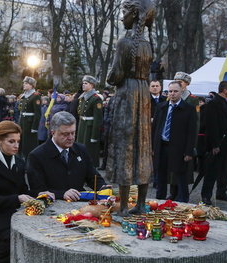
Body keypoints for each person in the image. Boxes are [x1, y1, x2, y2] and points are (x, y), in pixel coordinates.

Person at [106, 0, 155, 215]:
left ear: (134, 14)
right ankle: (141, 204)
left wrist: (110, 76)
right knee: (143, 146)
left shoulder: (124, 43)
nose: (121, 17)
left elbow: (115, 75)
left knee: (125, 145)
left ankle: (124, 206)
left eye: (124, 12)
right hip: (143, 93)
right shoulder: (147, 44)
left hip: (127, 94)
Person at [0, 121, 41, 263]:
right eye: (11, 141)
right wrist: (17, 198)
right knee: (9, 239)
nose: (16, 145)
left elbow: (24, 191)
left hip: (10, 212)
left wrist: (43, 194)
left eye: (18, 141)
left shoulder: (19, 162)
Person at [28, 111, 107, 201]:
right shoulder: (37, 156)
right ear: (53, 132)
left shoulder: (80, 149)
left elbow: (93, 177)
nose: (70, 137)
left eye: (73, 133)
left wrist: (103, 188)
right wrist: (62, 194)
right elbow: (37, 190)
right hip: (54, 206)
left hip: (81, 204)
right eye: (65, 134)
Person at [152, 81, 197, 202]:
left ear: (181, 91)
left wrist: (188, 152)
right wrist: (152, 147)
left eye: (175, 91)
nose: (172, 94)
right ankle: (159, 201)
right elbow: (155, 128)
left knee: (180, 176)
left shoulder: (189, 109)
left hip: (179, 148)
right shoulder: (161, 107)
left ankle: (183, 201)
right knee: (160, 175)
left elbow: (192, 132)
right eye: (170, 91)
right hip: (161, 146)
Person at [201, 81, 227, 205]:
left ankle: (221, 192)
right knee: (211, 172)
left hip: (226, 143)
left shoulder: (225, 103)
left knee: (224, 171)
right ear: (224, 89)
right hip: (217, 144)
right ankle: (206, 196)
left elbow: (225, 122)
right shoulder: (214, 103)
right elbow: (212, 125)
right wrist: (215, 145)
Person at [76, 75, 103, 167]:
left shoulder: (96, 99)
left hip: (89, 128)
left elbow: (98, 119)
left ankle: (90, 169)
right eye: (83, 83)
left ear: (92, 85)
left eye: (86, 83)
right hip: (82, 125)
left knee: (89, 149)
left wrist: (94, 135)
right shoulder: (83, 97)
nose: (83, 85)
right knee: (80, 147)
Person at [18, 76, 41, 159]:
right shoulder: (24, 96)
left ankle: (29, 161)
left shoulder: (35, 96)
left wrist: (34, 127)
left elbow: (38, 113)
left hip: (29, 123)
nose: (24, 85)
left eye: (26, 83)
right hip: (22, 122)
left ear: (31, 85)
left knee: (29, 144)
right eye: (24, 83)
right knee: (22, 142)